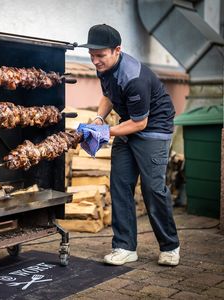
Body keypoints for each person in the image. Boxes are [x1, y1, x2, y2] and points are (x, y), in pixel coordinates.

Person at [79, 24, 180, 266]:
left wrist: (104, 132)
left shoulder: (133, 77)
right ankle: (124, 247)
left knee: (153, 189)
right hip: (130, 124)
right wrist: (98, 119)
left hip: (153, 129)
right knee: (120, 184)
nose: (95, 62)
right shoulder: (105, 66)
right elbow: (108, 95)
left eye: (100, 56)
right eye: (92, 56)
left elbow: (140, 123)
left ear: (117, 50)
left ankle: (170, 247)